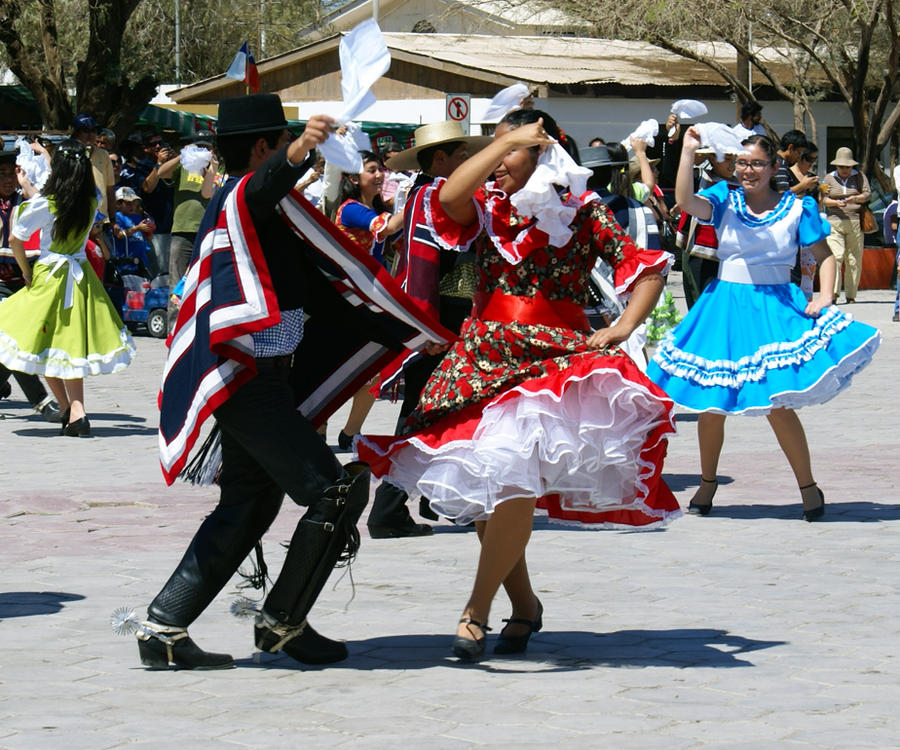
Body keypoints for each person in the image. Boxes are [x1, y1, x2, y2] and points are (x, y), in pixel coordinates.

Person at [358, 109, 679, 661]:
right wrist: (502, 142)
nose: (494, 163)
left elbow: (645, 268)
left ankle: (474, 611)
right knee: (490, 487)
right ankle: (525, 604)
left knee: (510, 480)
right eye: (493, 149)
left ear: (542, 151)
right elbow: (447, 197)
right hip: (483, 358)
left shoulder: (584, 211)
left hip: (554, 363)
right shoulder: (486, 207)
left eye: (508, 151)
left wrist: (623, 326)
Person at [144, 95, 385, 671]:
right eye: (279, 141)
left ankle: (162, 628)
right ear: (262, 147)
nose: (286, 150)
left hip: (257, 378)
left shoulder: (254, 204)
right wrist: (301, 151)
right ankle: (281, 623)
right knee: (336, 490)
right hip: (249, 380)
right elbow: (261, 186)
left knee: (250, 504)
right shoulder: (242, 196)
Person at [647, 129, 881, 522]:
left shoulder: (797, 208)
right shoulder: (724, 198)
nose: (747, 170)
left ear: (774, 167)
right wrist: (686, 151)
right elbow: (685, 200)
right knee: (712, 401)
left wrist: (825, 295)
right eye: (741, 163)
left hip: (775, 305)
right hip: (724, 305)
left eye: (756, 163)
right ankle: (707, 482)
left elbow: (823, 256)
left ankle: (807, 485)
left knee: (779, 403)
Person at [366, 120, 491, 539]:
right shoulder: (437, 196)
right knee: (424, 414)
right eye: (461, 156)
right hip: (439, 323)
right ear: (440, 159)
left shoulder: (422, 195)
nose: (468, 163)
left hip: (439, 322)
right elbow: (440, 274)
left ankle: (431, 499)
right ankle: (390, 507)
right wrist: (437, 329)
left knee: (435, 412)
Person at [0, 139, 136, 437]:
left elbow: (16, 238)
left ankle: (70, 410)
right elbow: (58, 199)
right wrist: (46, 161)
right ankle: (74, 412)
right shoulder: (90, 199)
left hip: (50, 277)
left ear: (59, 171)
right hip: (81, 278)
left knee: (43, 346)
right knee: (69, 347)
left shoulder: (47, 203)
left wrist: (26, 271)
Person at [331, 150, 406, 449]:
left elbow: (399, 238)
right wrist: (419, 203)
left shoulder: (375, 209)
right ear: (352, 178)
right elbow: (385, 228)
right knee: (336, 370)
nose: (380, 175)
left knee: (372, 371)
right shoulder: (350, 209)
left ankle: (350, 433)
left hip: (368, 303)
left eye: (381, 170)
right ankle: (322, 429)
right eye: (372, 170)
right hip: (344, 304)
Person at [0, 146, 63, 422]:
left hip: (26, 280)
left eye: (11, 174)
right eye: (0, 174)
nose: (7, 180)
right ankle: (41, 400)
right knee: (13, 339)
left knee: (13, 342)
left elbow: (51, 212)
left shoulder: (27, 201)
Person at [163, 131, 220, 331]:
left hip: (208, 231)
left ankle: (202, 326)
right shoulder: (183, 166)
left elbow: (208, 192)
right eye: (199, 147)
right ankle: (173, 328)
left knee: (207, 278)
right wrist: (183, 156)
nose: (203, 152)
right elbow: (162, 173)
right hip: (182, 229)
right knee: (177, 281)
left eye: (207, 147)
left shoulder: (218, 168)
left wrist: (210, 168)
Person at [676, 147, 739, 308]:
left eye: (734, 159)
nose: (732, 165)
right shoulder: (699, 177)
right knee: (700, 303)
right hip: (699, 253)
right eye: (726, 159)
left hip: (731, 256)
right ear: (711, 157)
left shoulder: (742, 185)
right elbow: (678, 179)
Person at [822, 147, 871, 304]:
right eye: (841, 166)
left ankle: (851, 294)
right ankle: (834, 293)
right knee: (836, 256)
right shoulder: (828, 178)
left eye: (847, 167)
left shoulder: (859, 177)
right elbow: (823, 199)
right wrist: (835, 202)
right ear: (836, 166)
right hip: (834, 220)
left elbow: (867, 194)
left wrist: (855, 199)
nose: (844, 170)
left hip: (855, 221)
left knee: (853, 259)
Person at [790, 143, 822, 299]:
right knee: (794, 270)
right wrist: (802, 188)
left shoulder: (811, 177)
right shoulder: (787, 174)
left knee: (809, 269)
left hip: (808, 228)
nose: (811, 163)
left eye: (814, 160)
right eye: (809, 159)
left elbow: (817, 202)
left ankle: (807, 302)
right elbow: (781, 198)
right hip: (791, 229)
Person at [71, 114, 116, 223]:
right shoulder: (67, 153)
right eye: (86, 130)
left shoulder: (104, 155)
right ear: (76, 132)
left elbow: (110, 189)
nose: (91, 135)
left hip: (100, 220)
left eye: (94, 130)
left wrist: (113, 220)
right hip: (75, 219)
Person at [111, 186, 154, 269]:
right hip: (126, 264)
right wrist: (137, 228)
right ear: (118, 204)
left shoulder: (137, 218)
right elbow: (119, 235)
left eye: (134, 203)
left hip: (141, 263)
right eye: (128, 203)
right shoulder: (117, 217)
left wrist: (149, 231)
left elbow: (148, 238)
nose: (132, 206)